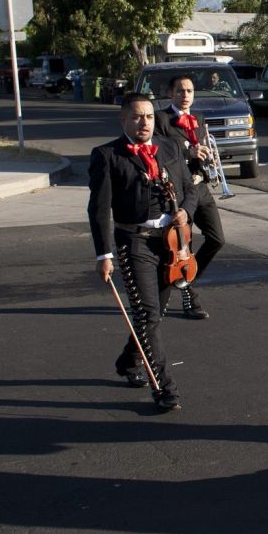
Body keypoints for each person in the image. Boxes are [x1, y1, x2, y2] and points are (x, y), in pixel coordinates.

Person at [87, 92, 197, 411]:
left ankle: (128, 361)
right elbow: (98, 209)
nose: (144, 122)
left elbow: (190, 189)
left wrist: (186, 212)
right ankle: (164, 387)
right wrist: (103, 255)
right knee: (148, 313)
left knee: (154, 313)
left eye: (148, 116)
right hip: (133, 241)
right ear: (123, 119)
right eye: (136, 117)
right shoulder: (107, 155)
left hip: (171, 242)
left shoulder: (171, 147)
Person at [155, 74, 225, 319]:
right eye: (181, 90)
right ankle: (187, 299)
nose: (186, 95)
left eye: (190, 91)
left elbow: (203, 148)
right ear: (172, 93)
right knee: (182, 246)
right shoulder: (162, 119)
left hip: (200, 186)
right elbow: (161, 154)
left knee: (217, 239)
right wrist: (189, 153)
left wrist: (211, 159)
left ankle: (186, 281)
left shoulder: (199, 118)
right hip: (179, 191)